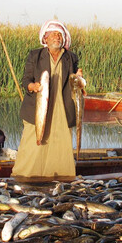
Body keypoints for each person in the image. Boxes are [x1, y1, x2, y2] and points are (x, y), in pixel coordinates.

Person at [11, 20, 83, 181]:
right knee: (33, 141)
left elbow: (74, 81)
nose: (56, 37)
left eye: (59, 35)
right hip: (40, 106)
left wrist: (78, 78)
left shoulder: (70, 57)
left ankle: (61, 177)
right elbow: (25, 80)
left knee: (60, 141)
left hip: (62, 105)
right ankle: (25, 175)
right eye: (53, 34)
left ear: (63, 39)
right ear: (45, 38)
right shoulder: (35, 55)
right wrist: (33, 86)